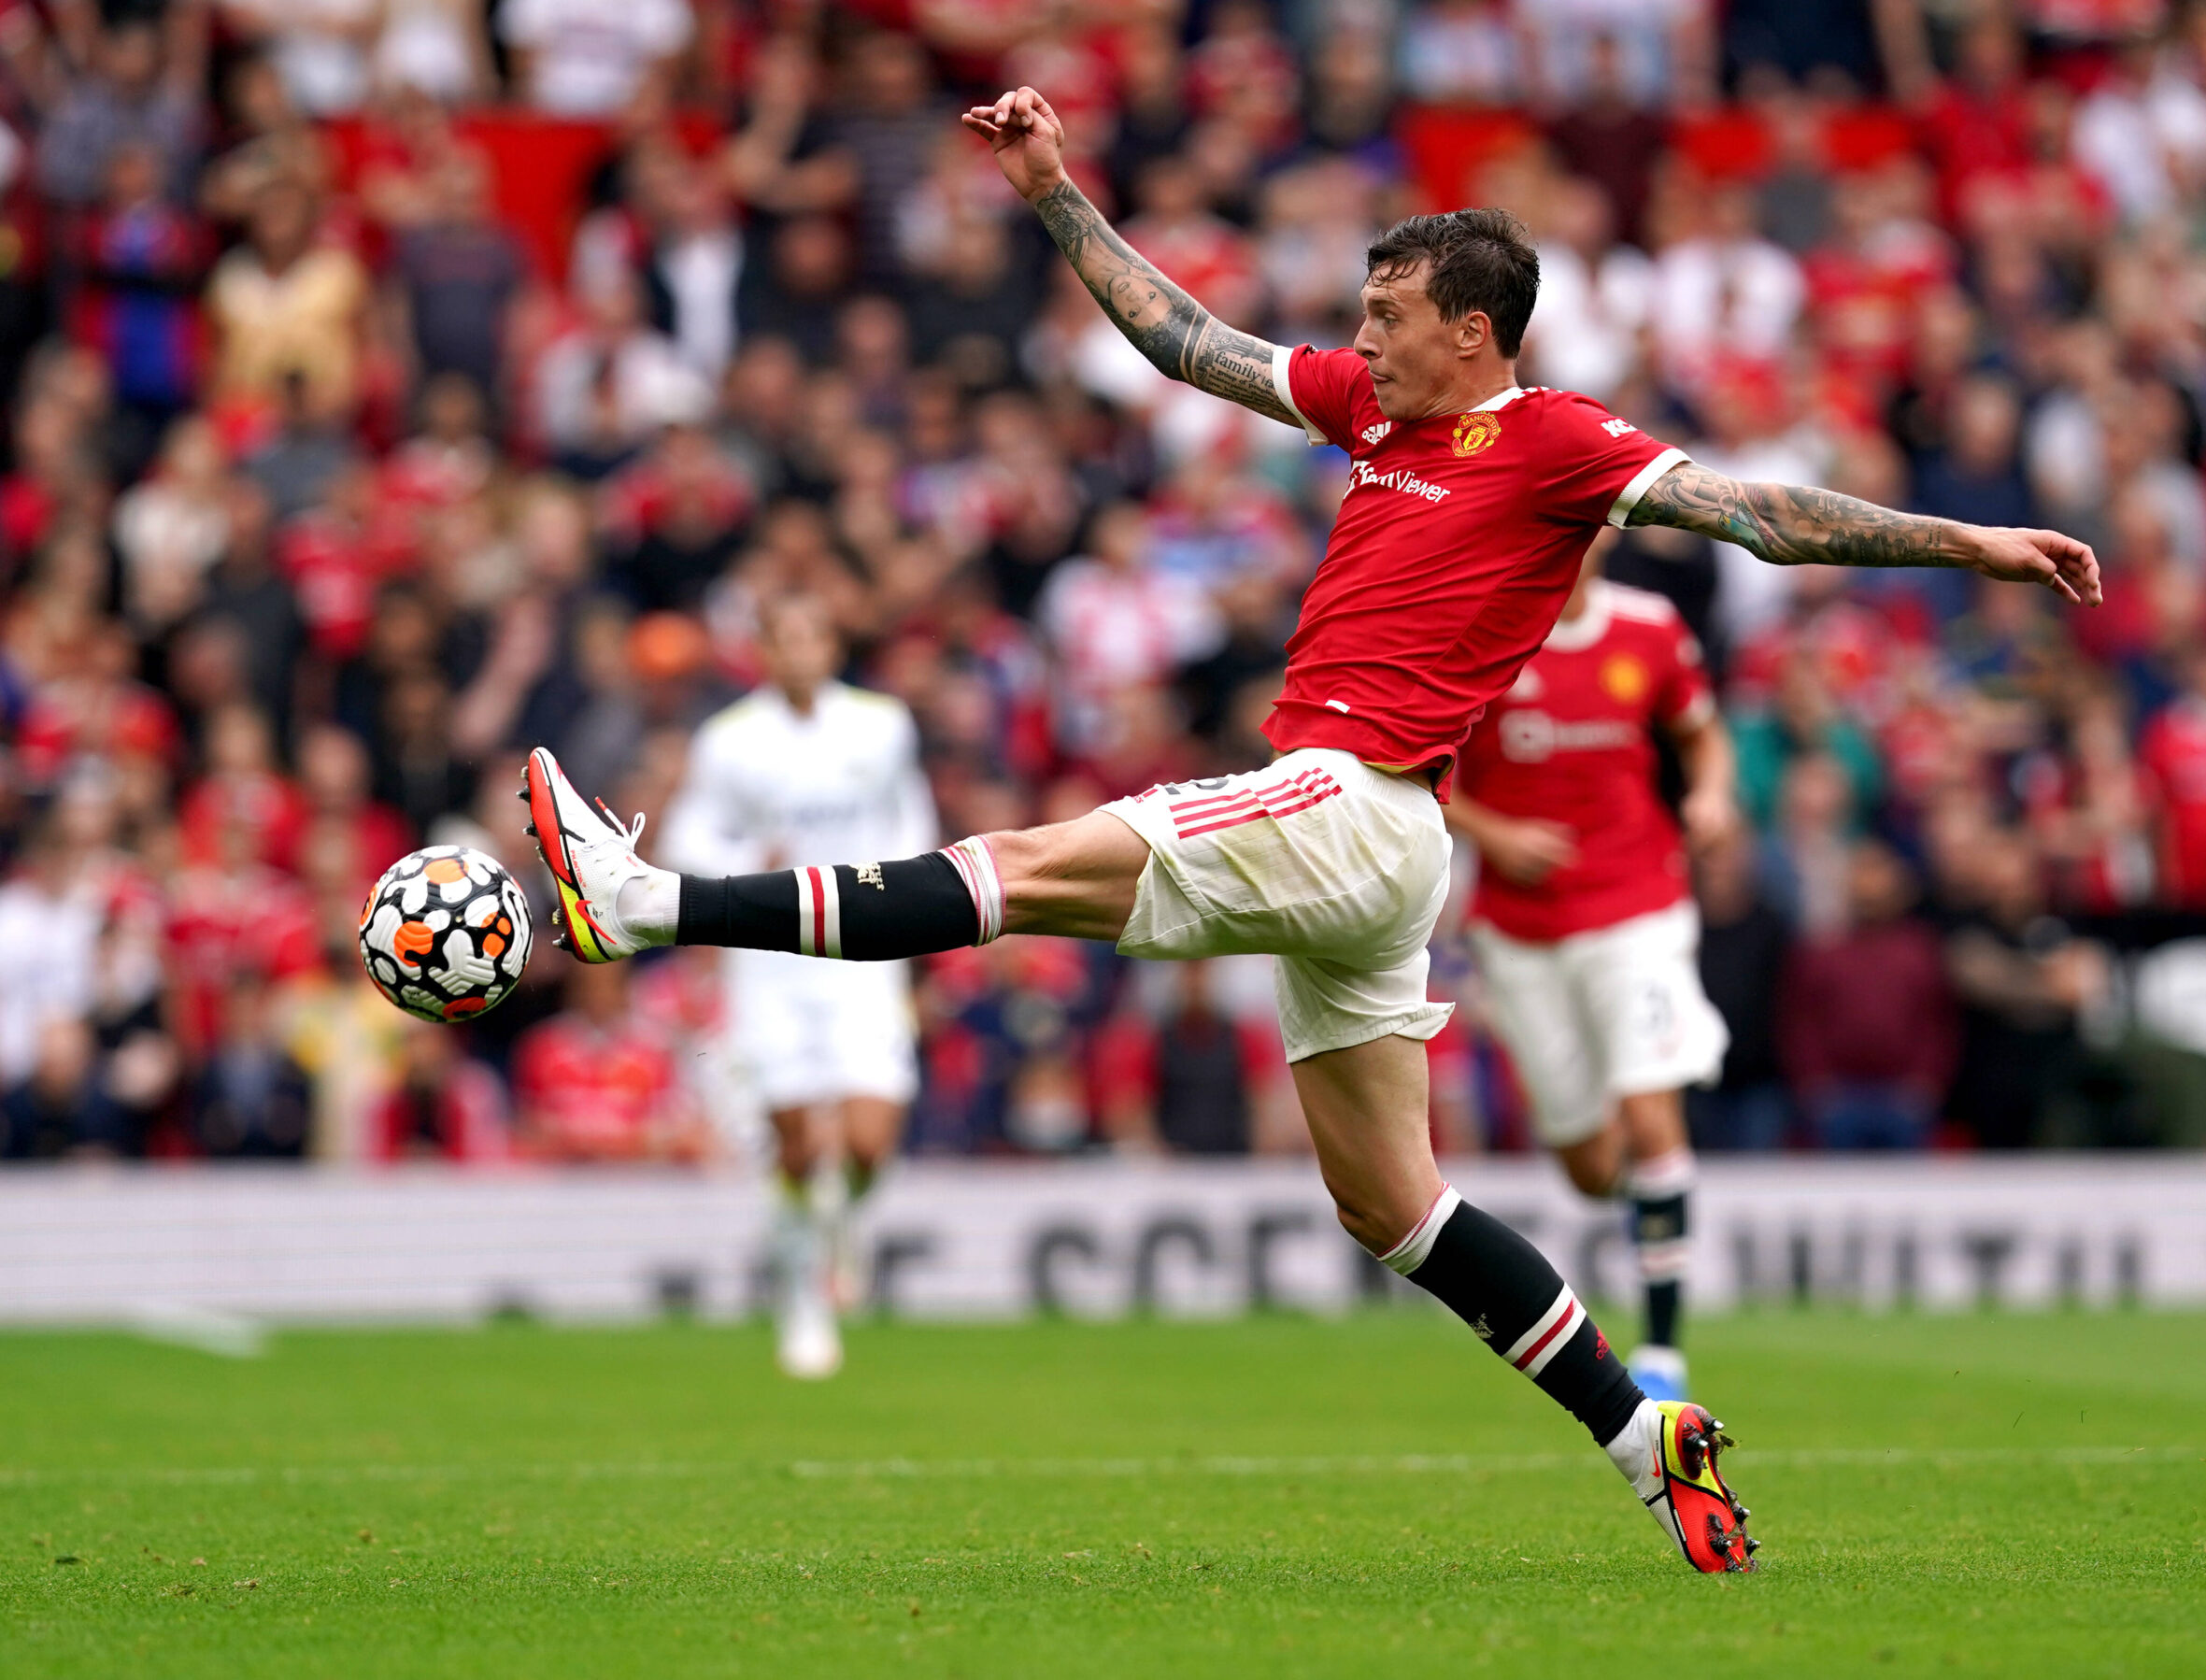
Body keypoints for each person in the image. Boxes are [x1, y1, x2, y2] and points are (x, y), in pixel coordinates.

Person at [519, 85, 2101, 1576]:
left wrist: (1977, 544)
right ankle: (1643, 1432)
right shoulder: (1369, 414)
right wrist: (1056, 193)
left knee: (1023, 868)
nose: (1359, 340)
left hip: (1354, 798)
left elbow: (1763, 515)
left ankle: (643, 903)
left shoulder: (1556, 442)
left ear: (1472, 332)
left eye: (1387, 317)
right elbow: (1189, 344)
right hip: (1373, 849)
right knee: (1394, 1205)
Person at [1445, 534, 1734, 1405]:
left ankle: (1664, 1351)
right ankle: (1644, 1193)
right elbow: (1418, 768)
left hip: (1639, 905)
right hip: (1522, 930)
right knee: (1584, 1162)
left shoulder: (1649, 628)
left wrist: (1712, 793)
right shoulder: (1484, 632)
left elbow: (1701, 731)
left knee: (1650, 1111)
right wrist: (1495, 834)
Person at [659, 591, 934, 1379]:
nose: (801, 652)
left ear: (832, 646)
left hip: (862, 953)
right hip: (773, 960)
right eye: (786, 638)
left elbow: (908, 821)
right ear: (766, 652)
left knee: (870, 1139)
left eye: (814, 635)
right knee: (795, 1143)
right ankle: (802, 1301)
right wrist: (751, 866)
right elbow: (689, 833)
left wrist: (900, 909)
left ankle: (840, 1226)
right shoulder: (730, 741)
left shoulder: (882, 727)